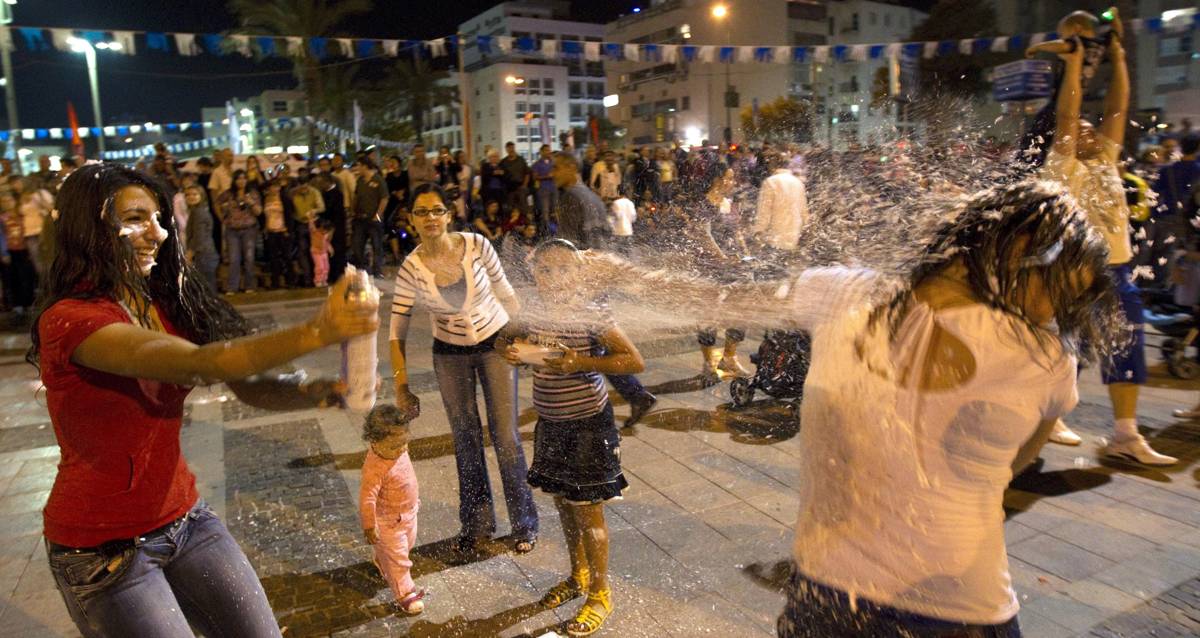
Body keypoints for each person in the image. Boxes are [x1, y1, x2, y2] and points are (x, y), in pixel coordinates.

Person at [581, 179, 1119, 638]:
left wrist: (621, 274)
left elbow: (710, 300)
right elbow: (714, 302)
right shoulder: (844, 295)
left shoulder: (1042, 351)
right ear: (1021, 245)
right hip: (838, 597)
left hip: (941, 611)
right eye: (1059, 288)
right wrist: (621, 275)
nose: (1054, 312)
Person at [30, 163, 379, 638]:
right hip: (103, 552)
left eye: (158, 218)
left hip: (186, 519)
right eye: (134, 219)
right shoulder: (72, 320)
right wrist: (319, 329)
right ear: (88, 228)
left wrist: (317, 393)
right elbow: (204, 364)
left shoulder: (163, 299)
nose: (155, 233)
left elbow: (245, 381)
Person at [1028, 10, 1175, 465]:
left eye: (1093, 128)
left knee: (1128, 341)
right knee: (1058, 349)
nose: (1090, 128)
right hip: (1073, 272)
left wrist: (1118, 56)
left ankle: (1125, 435)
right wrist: (1073, 64)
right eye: (1080, 128)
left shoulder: (1107, 163)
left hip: (1117, 271)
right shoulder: (1063, 166)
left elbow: (1118, 106)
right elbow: (1071, 110)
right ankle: (1046, 419)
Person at [498, 239, 643, 637]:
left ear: (578, 273)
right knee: (564, 502)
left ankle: (600, 593)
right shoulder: (534, 308)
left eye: (564, 269)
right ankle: (578, 576)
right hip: (551, 421)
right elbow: (504, 339)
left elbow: (633, 360)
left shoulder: (592, 309)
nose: (554, 277)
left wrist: (580, 362)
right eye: (545, 270)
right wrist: (510, 349)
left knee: (588, 508)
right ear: (535, 273)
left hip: (587, 424)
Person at [388, 183, 538, 555]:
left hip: (495, 344)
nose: (430, 218)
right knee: (465, 439)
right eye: (421, 212)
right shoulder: (411, 267)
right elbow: (396, 331)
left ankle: (524, 523)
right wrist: (401, 386)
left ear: (449, 215)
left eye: (437, 210)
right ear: (411, 219)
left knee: (506, 437)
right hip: (449, 353)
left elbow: (506, 293)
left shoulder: (476, 245)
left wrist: (526, 341)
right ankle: (476, 524)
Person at [359, 404, 425, 616]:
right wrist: (369, 525)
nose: (402, 449)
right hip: (388, 522)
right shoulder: (374, 467)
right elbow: (367, 497)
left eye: (405, 442)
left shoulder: (396, 451)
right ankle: (405, 593)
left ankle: (382, 560)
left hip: (408, 513)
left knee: (407, 546)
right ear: (374, 442)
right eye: (395, 446)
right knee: (399, 560)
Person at [217, 169, 263, 295]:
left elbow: (259, 212)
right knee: (234, 259)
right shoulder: (228, 194)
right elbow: (217, 203)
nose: (241, 181)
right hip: (232, 230)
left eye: (244, 178)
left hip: (249, 229)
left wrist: (251, 203)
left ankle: (249, 286)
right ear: (234, 180)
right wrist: (222, 216)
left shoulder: (252, 193)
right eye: (238, 178)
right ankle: (232, 287)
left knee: (249, 258)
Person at [752, 152, 808, 253]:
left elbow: (764, 211)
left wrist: (758, 231)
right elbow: (804, 212)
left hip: (774, 236)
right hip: (794, 235)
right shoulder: (798, 183)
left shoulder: (770, 182)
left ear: (772, 165)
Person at [552, 152, 609, 251]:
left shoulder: (570, 196)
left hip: (580, 261)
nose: (552, 174)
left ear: (572, 168)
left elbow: (566, 242)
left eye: (556, 168)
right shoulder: (594, 197)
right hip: (598, 258)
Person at [351, 158, 389, 279]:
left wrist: (378, 215)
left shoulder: (378, 180)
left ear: (365, 166)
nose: (357, 169)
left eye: (359, 166)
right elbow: (356, 197)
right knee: (357, 245)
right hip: (360, 219)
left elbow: (384, 198)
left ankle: (377, 270)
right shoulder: (360, 181)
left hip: (373, 219)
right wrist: (353, 210)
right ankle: (362, 269)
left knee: (376, 245)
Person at [0, 191, 35, 314]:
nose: (7, 203)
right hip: (10, 252)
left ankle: (29, 302)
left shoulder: (22, 216)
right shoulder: (2, 218)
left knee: (27, 276)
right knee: (12, 278)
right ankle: (17, 304)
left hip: (24, 250)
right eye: (3, 201)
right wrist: (3, 252)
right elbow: (1, 236)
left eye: (9, 200)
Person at [183, 185, 219, 292]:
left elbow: (199, 236)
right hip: (204, 253)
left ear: (201, 196)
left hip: (203, 254)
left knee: (206, 288)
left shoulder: (199, 213)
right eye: (188, 195)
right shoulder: (197, 211)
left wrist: (189, 253)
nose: (191, 197)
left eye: (195, 194)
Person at [262, 180, 291, 290]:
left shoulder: (284, 199)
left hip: (283, 230)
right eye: (272, 187)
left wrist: (288, 230)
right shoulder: (265, 199)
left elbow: (289, 214)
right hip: (271, 231)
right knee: (273, 258)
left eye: (276, 186)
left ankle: (290, 280)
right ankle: (275, 282)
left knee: (286, 256)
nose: (274, 189)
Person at [500, 142, 533, 230]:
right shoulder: (503, 162)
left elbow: (527, 173)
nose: (511, 150)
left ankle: (526, 224)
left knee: (523, 205)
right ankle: (512, 226)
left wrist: (524, 185)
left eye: (512, 148)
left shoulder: (521, 160)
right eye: (509, 148)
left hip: (521, 186)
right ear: (506, 149)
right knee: (511, 207)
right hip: (509, 188)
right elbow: (501, 174)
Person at [532, 145, 557, 233]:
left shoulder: (554, 163)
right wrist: (547, 176)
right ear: (541, 152)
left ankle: (556, 231)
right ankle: (546, 232)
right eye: (546, 150)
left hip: (554, 188)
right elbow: (535, 177)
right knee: (545, 211)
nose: (548, 152)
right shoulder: (537, 164)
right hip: (544, 189)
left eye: (549, 150)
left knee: (555, 210)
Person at [310, 217, 334, 288]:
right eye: (323, 230)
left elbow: (327, 242)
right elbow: (311, 226)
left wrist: (330, 249)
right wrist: (311, 220)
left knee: (326, 267)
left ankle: (324, 280)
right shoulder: (315, 232)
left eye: (326, 231)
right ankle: (318, 281)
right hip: (316, 253)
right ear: (320, 228)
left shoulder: (326, 235)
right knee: (319, 267)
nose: (324, 232)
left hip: (324, 253)